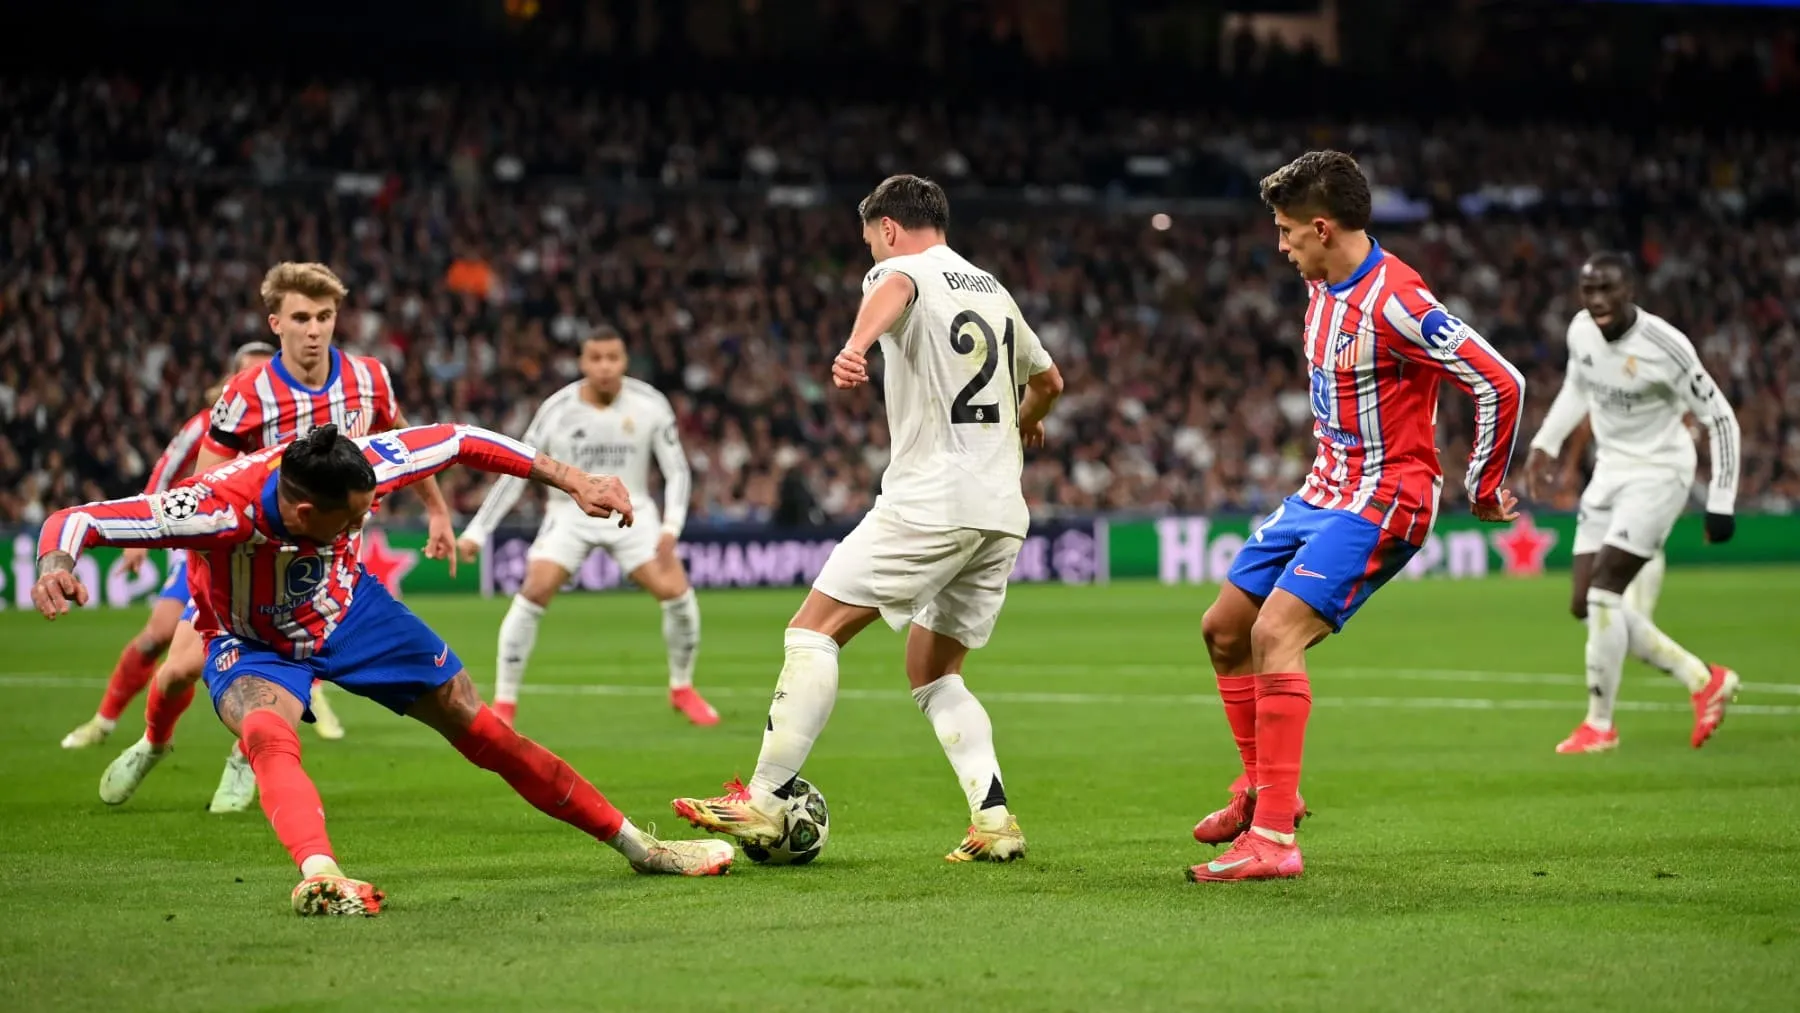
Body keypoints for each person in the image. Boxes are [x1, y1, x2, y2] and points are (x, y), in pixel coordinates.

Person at [32, 423, 735, 916]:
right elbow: (77, 518)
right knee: (267, 733)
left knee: (478, 724)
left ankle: (639, 846)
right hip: (253, 639)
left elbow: (463, 440)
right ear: (304, 510)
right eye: (350, 521)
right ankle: (321, 874)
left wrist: (574, 479)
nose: (359, 525)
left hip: (353, 613)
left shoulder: (362, 462)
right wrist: (56, 563)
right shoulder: (214, 508)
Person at [671, 174, 1064, 863]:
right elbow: (1050, 381)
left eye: (868, 243)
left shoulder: (902, 268)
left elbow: (895, 290)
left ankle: (763, 800)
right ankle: (994, 819)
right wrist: (1026, 421)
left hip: (931, 498)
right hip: (1000, 507)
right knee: (935, 672)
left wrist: (856, 346)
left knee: (812, 629)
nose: (869, 258)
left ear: (887, 228)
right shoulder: (993, 289)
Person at [1191, 150, 1527, 882]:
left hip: (1390, 494)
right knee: (1224, 629)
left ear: (1322, 226)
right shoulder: (1321, 284)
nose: (1279, 246)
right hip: (1322, 490)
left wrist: (1485, 480)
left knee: (1276, 631)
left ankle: (1275, 839)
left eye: (1286, 232)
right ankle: (1263, 789)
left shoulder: (1399, 299)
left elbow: (1501, 380)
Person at [94, 261, 458, 806]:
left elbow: (404, 444)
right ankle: (153, 742)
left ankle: (246, 757)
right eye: (302, 317)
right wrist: (204, 576)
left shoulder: (370, 379)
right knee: (179, 672)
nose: (314, 329)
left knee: (297, 662)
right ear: (276, 323)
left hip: (324, 570)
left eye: (325, 316)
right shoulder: (245, 395)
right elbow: (199, 491)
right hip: (243, 568)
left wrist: (437, 510)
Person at [1524, 252, 1742, 754]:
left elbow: (1721, 418)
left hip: (1660, 473)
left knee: (1605, 593)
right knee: (1586, 602)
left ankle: (1600, 725)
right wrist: (1545, 444)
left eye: (1608, 291)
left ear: (1631, 292)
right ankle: (1703, 678)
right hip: (1610, 472)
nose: (1597, 301)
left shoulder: (1666, 347)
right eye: (1589, 291)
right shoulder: (1580, 331)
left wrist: (1722, 501)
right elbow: (1577, 386)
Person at [456, 327, 715, 727]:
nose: (605, 367)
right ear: (582, 362)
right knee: (535, 590)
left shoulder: (650, 404)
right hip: (569, 514)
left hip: (633, 513)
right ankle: (505, 703)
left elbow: (676, 469)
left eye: (613, 358)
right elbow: (516, 469)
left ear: (625, 360)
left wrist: (671, 526)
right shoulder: (557, 408)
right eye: (596, 358)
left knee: (678, 595)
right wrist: (477, 530)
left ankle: (682, 687)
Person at [59, 341, 274, 752]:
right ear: (231, 379)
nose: (255, 382)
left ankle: (245, 758)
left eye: (264, 373)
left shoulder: (291, 422)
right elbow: (167, 467)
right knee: (157, 635)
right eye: (247, 373)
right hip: (206, 546)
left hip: (266, 552)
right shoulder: (210, 422)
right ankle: (104, 724)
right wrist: (139, 537)